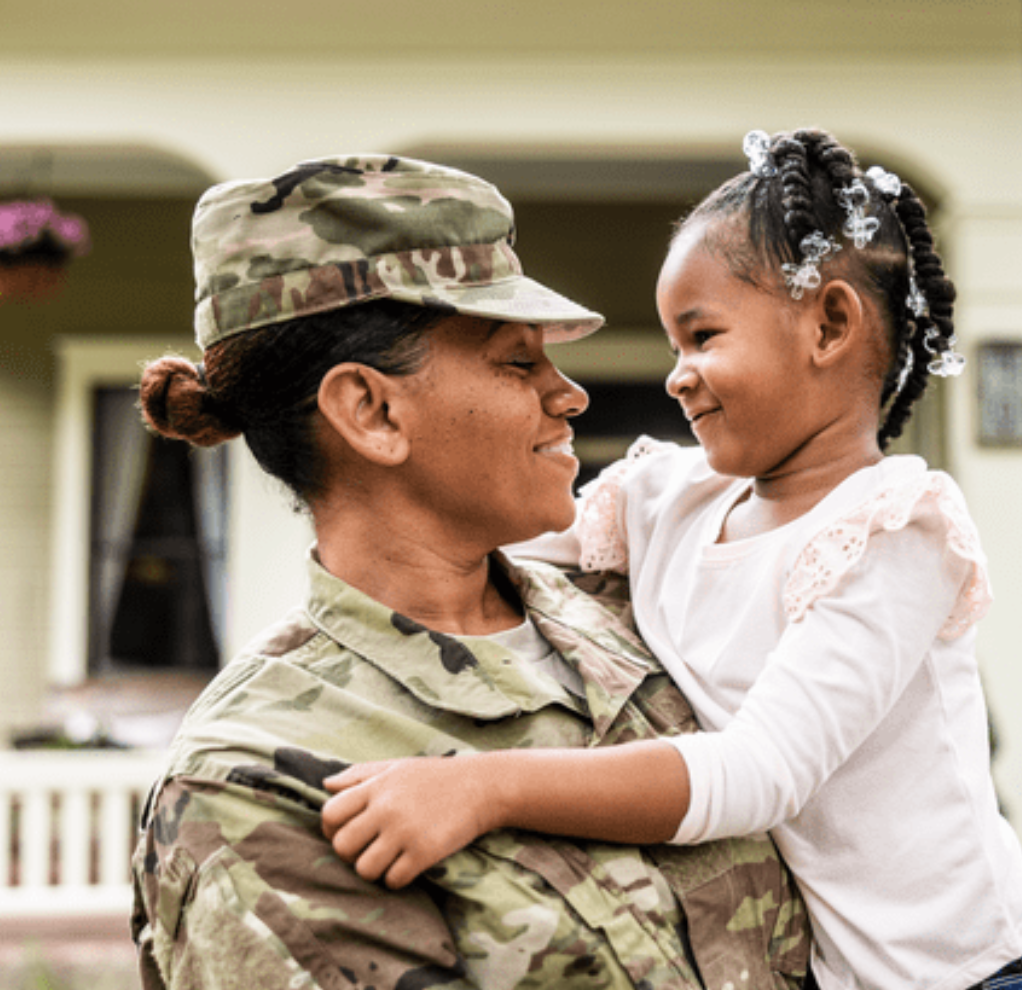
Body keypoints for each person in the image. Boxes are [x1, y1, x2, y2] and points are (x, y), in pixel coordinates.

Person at [320, 129, 1022, 990]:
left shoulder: (894, 532)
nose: (677, 376)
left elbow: (758, 775)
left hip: (963, 974)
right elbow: (472, 540)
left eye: (702, 337)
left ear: (829, 324)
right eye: (673, 345)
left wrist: (484, 788)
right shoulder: (671, 497)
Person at [127, 154, 809, 990]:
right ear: (371, 412)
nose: (570, 394)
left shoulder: (640, 617)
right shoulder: (256, 784)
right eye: (518, 362)